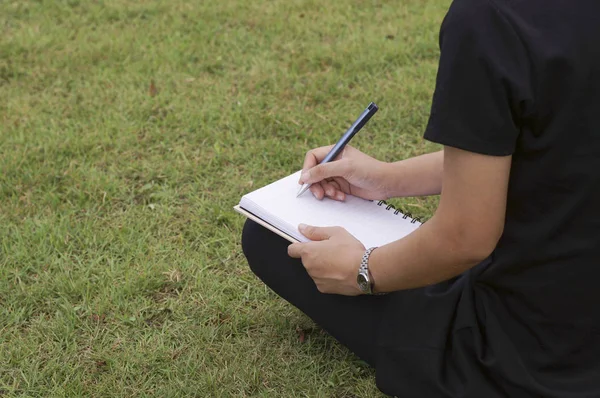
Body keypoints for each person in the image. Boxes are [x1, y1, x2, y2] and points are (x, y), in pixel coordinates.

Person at [242, 0, 600, 396]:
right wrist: (389, 178)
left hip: (540, 354)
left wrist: (363, 270)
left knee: (269, 239)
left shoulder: (490, 19)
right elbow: (557, 145)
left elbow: (466, 238)